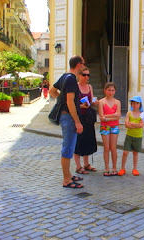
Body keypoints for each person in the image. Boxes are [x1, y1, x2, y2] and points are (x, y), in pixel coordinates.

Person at [49, 55, 85, 188]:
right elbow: (70, 102)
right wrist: (77, 121)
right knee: (68, 148)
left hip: (66, 116)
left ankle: (68, 175)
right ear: (78, 65)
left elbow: (52, 91)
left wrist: (61, 100)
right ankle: (66, 180)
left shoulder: (65, 76)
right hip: (69, 118)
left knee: (69, 147)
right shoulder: (71, 80)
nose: (84, 66)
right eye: (83, 64)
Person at [73, 67, 98, 174]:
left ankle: (86, 164)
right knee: (78, 141)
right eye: (84, 75)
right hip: (79, 117)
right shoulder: (75, 87)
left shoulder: (89, 86)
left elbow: (91, 99)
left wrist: (94, 102)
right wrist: (80, 106)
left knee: (88, 140)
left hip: (88, 117)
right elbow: (71, 103)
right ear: (79, 75)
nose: (86, 77)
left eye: (88, 75)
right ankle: (78, 166)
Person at [98, 82, 121, 176]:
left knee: (113, 147)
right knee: (106, 148)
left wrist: (107, 117)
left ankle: (114, 167)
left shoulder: (117, 102)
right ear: (105, 91)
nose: (111, 92)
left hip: (114, 126)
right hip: (105, 126)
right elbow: (101, 117)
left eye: (112, 90)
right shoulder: (101, 102)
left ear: (115, 91)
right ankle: (107, 167)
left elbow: (118, 116)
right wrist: (113, 115)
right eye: (109, 90)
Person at [118, 96, 144, 176]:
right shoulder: (129, 113)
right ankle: (122, 168)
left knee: (135, 153)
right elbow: (126, 125)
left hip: (138, 136)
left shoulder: (142, 114)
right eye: (133, 103)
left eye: (137, 103)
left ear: (140, 104)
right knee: (125, 152)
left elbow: (141, 125)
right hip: (129, 136)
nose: (135, 105)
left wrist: (131, 123)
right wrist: (135, 125)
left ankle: (135, 168)